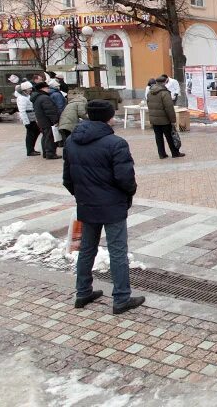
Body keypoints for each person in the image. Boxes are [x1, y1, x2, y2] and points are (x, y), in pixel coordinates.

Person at [63, 100, 144, 315]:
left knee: (86, 249)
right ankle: (121, 298)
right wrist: (128, 194)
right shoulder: (115, 143)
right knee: (117, 251)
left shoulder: (72, 140)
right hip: (112, 205)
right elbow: (125, 178)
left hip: (87, 204)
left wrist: (82, 195)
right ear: (108, 117)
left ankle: (82, 292)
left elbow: (67, 178)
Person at [147, 75, 185, 159]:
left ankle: (162, 154)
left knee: (158, 137)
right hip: (164, 120)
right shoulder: (164, 93)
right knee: (170, 137)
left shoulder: (150, 92)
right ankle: (175, 153)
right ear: (166, 82)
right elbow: (169, 108)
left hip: (154, 120)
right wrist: (173, 120)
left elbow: (148, 105)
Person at [31, 81, 60, 160]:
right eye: (47, 88)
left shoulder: (38, 97)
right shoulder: (44, 98)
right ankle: (50, 153)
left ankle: (45, 152)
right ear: (43, 88)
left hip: (42, 121)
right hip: (47, 121)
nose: (48, 89)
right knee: (49, 137)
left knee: (45, 137)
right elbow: (50, 111)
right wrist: (55, 120)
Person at [15, 81, 40, 157]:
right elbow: (22, 111)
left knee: (35, 133)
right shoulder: (22, 98)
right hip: (28, 118)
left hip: (31, 117)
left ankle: (32, 149)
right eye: (29, 89)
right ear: (25, 90)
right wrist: (26, 122)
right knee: (30, 135)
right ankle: (30, 150)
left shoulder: (26, 96)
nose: (31, 90)